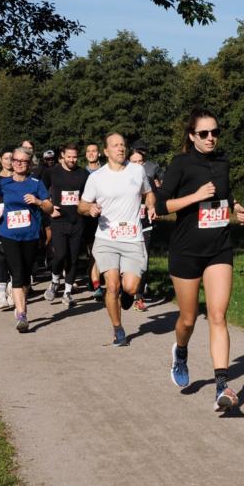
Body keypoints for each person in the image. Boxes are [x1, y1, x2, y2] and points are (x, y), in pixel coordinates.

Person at [155, 108, 244, 410]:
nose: (211, 138)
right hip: (186, 251)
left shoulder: (223, 162)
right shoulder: (180, 164)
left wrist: (237, 208)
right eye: (204, 133)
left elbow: (226, 194)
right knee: (188, 318)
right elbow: (160, 205)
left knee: (218, 315)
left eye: (215, 132)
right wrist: (195, 196)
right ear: (192, 136)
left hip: (219, 248)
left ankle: (222, 386)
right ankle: (180, 351)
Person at [80, 132, 156, 347]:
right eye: (115, 145)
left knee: (130, 287)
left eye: (123, 145)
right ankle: (118, 329)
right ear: (106, 151)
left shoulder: (137, 170)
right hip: (106, 238)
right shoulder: (96, 177)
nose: (121, 148)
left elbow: (148, 193)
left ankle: (128, 294)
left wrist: (150, 205)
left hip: (132, 238)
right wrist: (90, 208)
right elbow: (81, 205)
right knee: (112, 286)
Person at [0, 147, 52, 332]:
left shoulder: (36, 183)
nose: (18, 163)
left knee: (25, 275)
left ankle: (19, 302)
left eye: (23, 161)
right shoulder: (4, 183)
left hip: (30, 235)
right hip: (8, 234)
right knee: (17, 272)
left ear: (29, 164)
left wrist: (38, 201)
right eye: (15, 160)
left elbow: (49, 207)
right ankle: (22, 314)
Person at [45, 144, 89, 306]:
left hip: (77, 221)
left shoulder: (83, 173)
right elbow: (41, 190)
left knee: (73, 257)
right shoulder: (52, 172)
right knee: (60, 255)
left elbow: (89, 194)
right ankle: (55, 280)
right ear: (62, 155)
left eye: (75, 157)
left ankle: (68, 292)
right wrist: (49, 206)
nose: (72, 160)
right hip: (58, 220)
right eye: (69, 156)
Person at [128, 149, 154, 311]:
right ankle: (125, 289)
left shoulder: (149, 180)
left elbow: (155, 199)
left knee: (143, 262)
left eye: (140, 162)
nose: (138, 165)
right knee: (126, 262)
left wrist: (153, 208)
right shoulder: (121, 181)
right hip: (126, 229)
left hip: (145, 226)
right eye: (134, 162)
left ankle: (139, 296)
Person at [0, 147, 14, 310]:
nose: (9, 161)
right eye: (6, 158)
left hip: (17, 222)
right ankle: (2, 296)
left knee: (16, 257)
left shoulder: (20, 178)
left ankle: (13, 290)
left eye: (12, 158)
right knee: (2, 257)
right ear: (1, 159)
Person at [84, 142, 104, 302]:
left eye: (94, 151)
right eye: (88, 151)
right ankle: (96, 284)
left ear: (99, 153)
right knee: (94, 252)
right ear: (85, 155)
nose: (91, 153)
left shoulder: (107, 171)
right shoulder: (81, 173)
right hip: (88, 217)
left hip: (107, 216)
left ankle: (99, 283)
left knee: (101, 251)